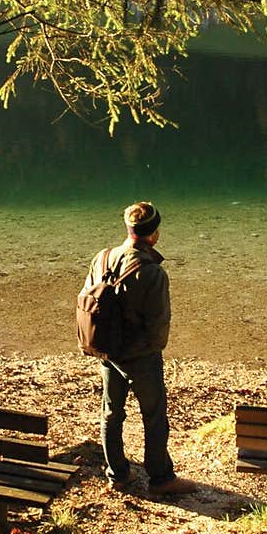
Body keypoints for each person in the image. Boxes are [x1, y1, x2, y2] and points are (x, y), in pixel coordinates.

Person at [82, 201, 198, 496]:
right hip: (141, 357)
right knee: (154, 416)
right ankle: (160, 479)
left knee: (111, 412)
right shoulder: (152, 273)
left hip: (107, 351)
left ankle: (117, 474)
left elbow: (86, 297)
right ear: (154, 233)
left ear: (128, 228)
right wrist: (151, 350)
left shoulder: (102, 257)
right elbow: (159, 326)